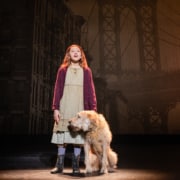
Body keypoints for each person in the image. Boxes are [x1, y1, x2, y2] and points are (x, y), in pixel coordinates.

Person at [50, 44, 97, 175]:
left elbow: (91, 92)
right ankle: (59, 165)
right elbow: (57, 90)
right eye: (72, 51)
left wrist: (92, 110)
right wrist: (56, 108)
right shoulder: (63, 70)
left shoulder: (87, 71)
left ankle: (76, 165)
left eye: (78, 51)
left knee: (78, 138)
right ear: (68, 55)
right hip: (65, 105)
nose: (75, 53)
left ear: (81, 55)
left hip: (80, 108)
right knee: (62, 136)